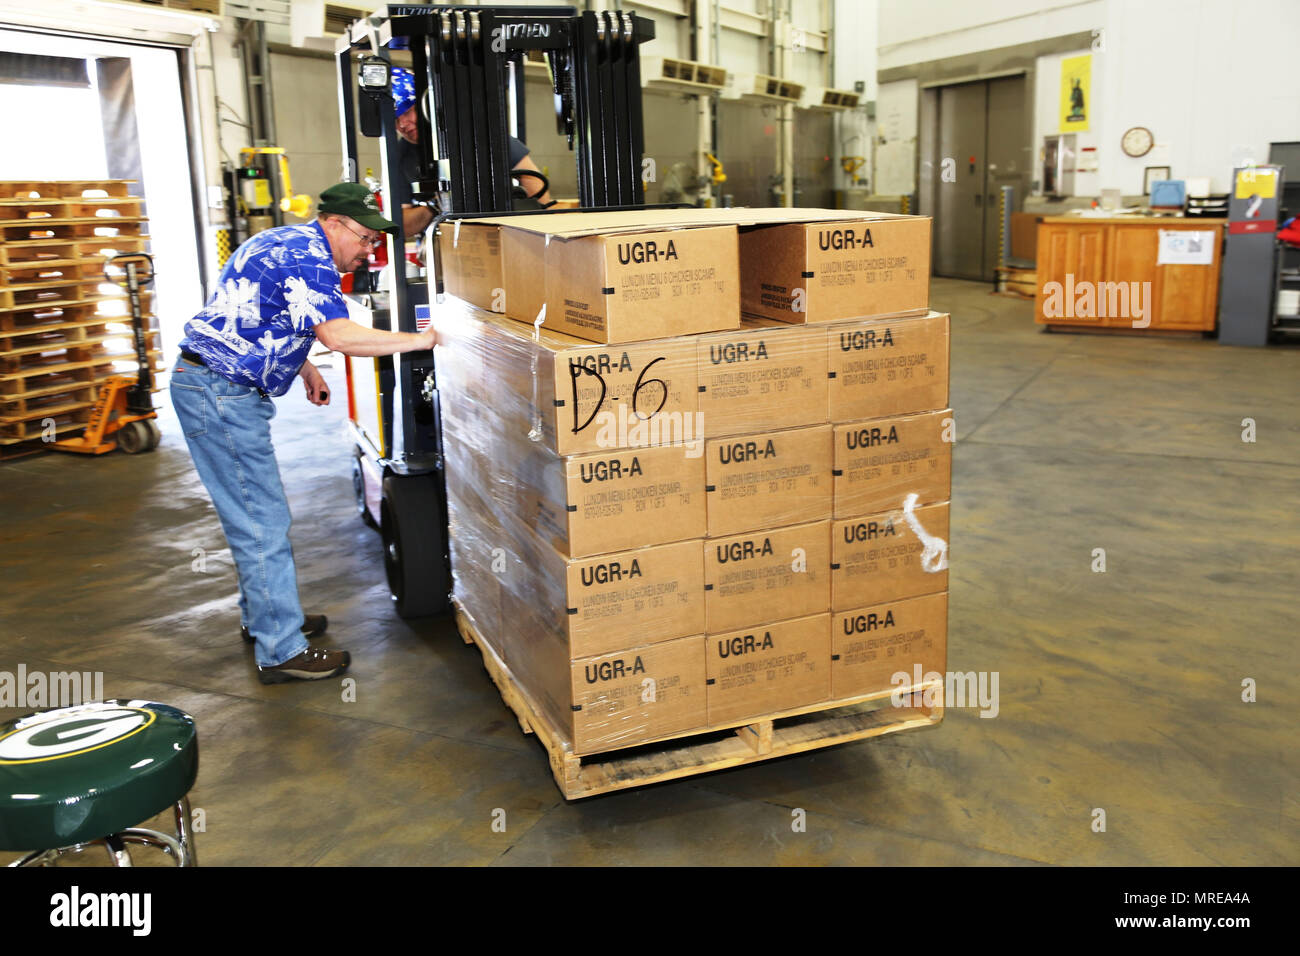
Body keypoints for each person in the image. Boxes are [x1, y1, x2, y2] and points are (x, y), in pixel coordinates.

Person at [171, 182, 437, 684]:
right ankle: (281, 650)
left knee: (253, 515)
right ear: (334, 224)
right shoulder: (312, 259)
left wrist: (304, 369)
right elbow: (340, 336)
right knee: (261, 519)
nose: (367, 250)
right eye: (362, 238)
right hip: (220, 393)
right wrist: (423, 339)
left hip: (209, 382)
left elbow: (252, 315)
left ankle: (265, 617)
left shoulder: (277, 241)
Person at [389, 66, 553, 236]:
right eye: (396, 119)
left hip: (497, 233)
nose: (402, 125)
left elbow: (535, 182)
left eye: (407, 112)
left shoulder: (474, 133)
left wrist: (536, 232)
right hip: (439, 243)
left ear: (425, 106)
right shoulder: (400, 156)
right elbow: (403, 225)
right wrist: (438, 204)